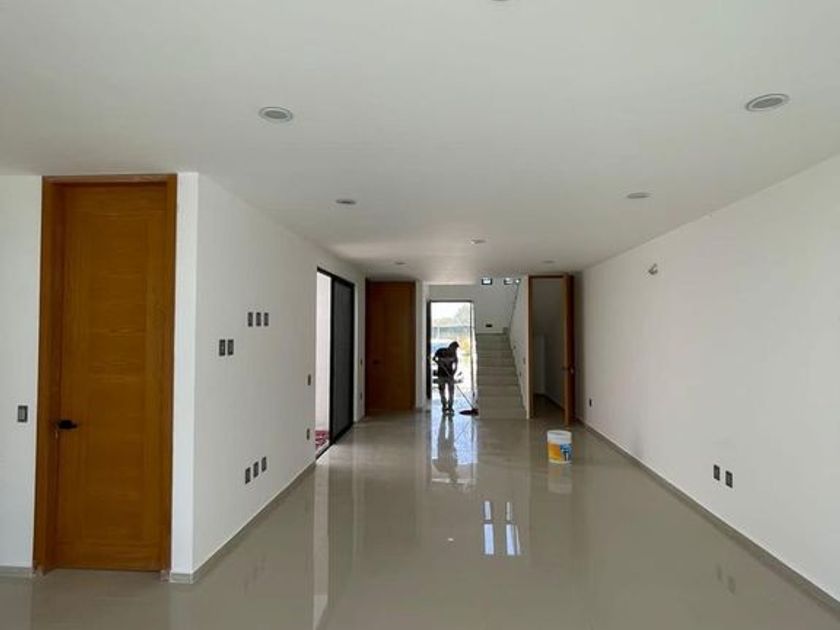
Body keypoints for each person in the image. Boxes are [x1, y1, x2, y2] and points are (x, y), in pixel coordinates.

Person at [433, 341, 459, 413]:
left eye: (455, 349)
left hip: (450, 376)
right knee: (441, 390)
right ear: (450, 346)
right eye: (454, 348)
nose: (454, 350)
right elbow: (434, 358)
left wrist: (453, 374)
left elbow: (456, 366)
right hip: (441, 375)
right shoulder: (440, 351)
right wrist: (438, 362)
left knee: (451, 391)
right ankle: (444, 405)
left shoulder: (454, 354)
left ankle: (450, 406)